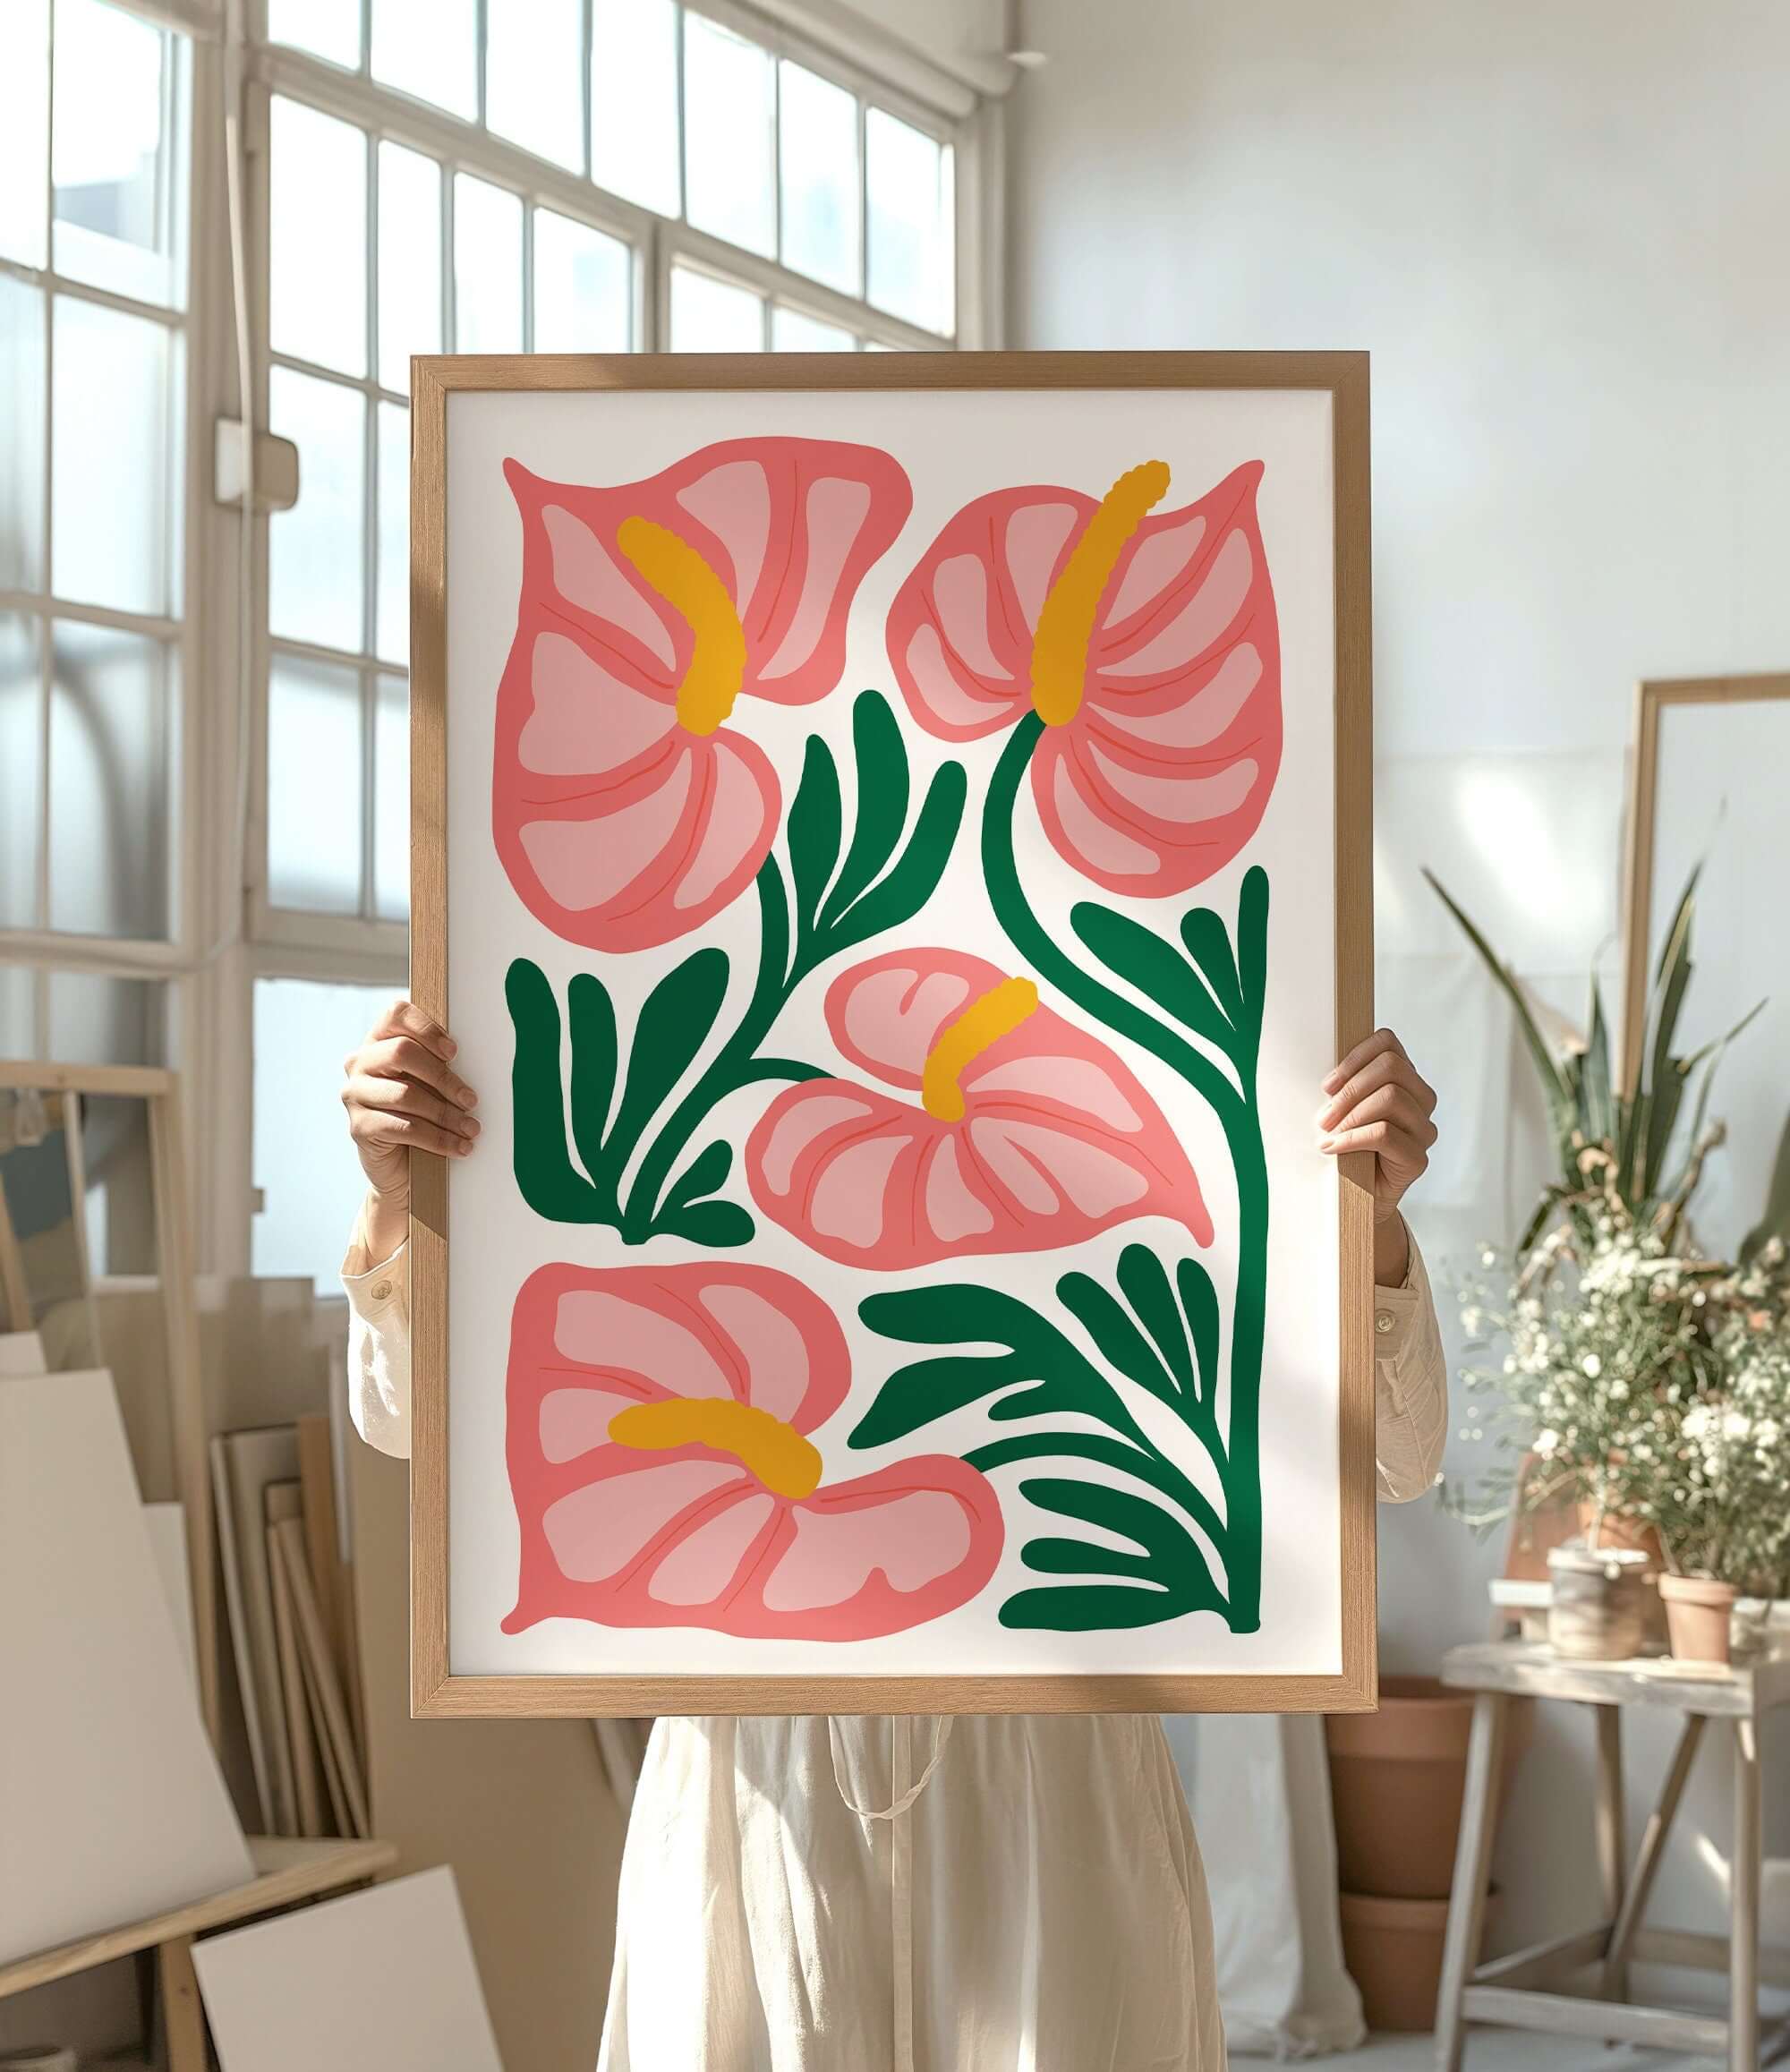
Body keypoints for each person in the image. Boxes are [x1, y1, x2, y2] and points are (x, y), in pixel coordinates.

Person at [340, 1002, 1445, 2072]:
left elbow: (1395, 1453)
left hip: (1057, 1766)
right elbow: (408, 1428)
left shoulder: (1127, 1066)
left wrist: (1370, 1222)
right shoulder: (678, 1080)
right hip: (758, 1770)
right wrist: (404, 1205)